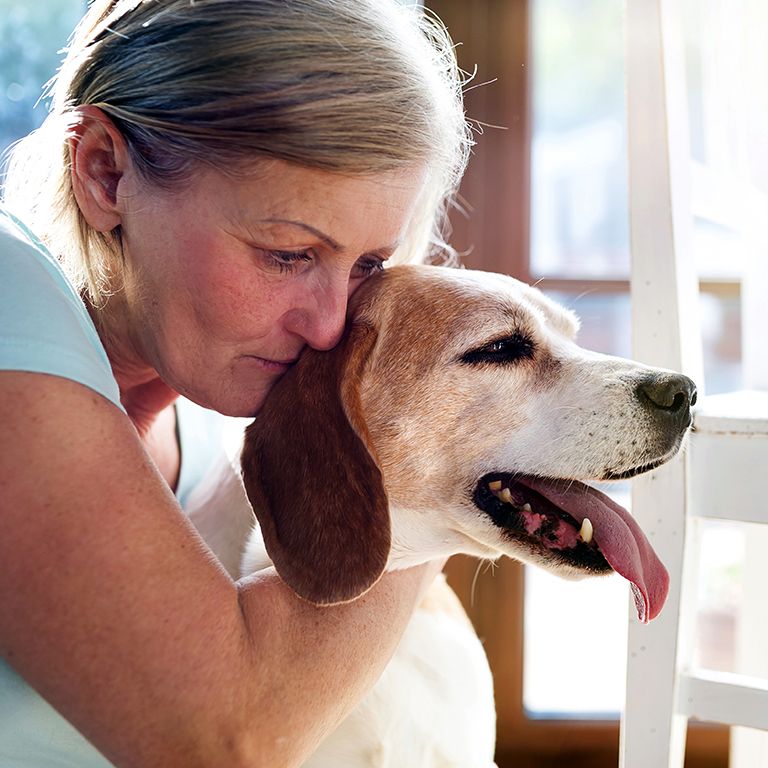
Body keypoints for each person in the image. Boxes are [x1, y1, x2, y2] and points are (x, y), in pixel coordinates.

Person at [0, 1, 472, 766]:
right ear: (104, 171)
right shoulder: (6, 291)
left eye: (367, 267)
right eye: (287, 253)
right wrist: (437, 483)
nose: (327, 324)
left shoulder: (222, 430)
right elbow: (228, 743)